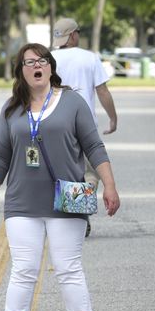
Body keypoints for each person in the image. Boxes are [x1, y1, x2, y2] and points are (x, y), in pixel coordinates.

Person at [0, 43, 120, 311]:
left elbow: (94, 146)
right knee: (24, 269)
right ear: (21, 71)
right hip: (21, 202)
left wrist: (110, 186)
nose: (36, 66)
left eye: (42, 60)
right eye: (29, 62)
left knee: (68, 268)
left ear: (50, 67)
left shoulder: (72, 102)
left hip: (66, 201)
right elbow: (0, 156)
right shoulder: (11, 109)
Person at [51, 17, 118, 238]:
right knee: (90, 172)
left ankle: (72, 217)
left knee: (66, 171)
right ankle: (80, 216)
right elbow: (103, 92)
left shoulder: (47, 59)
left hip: (57, 124)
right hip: (85, 124)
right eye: (77, 32)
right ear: (72, 36)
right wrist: (113, 118)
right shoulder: (90, 58)